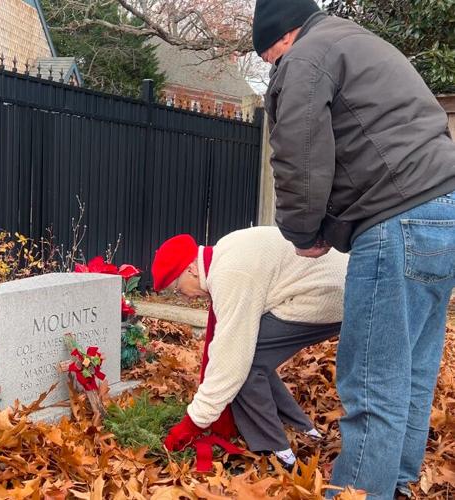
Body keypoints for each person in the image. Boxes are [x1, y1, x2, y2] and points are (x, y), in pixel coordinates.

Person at [252, 0, 455, 497]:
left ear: (281, 37)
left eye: (269, 57)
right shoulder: (361, 43)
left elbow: (299, 154)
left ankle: (361, 491)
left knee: (371, 382)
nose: (271, 67)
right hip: (445, 211)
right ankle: (396, 486)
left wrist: (303, 233)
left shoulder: (305, 57)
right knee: (409, 374)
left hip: (397, 220)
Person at [156, 226, 348, 469]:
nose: (183, 296)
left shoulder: (229, 274)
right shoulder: (225, 252)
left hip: (329, 293)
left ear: (191, 269)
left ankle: (280, 453)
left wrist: (192, 424)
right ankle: (301, 428)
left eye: (177, 288)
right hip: (337, 282)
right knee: (253, 355)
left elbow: (230, 362)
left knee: (245, 364)